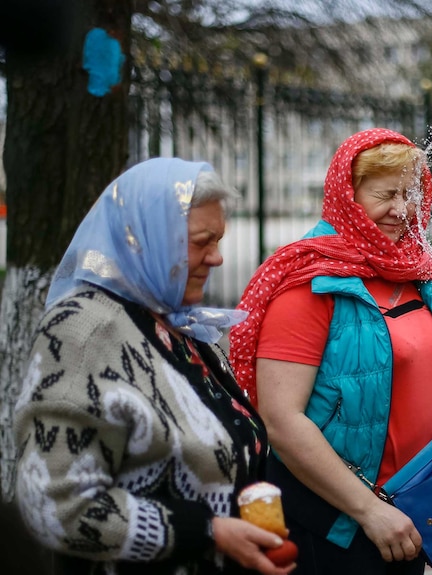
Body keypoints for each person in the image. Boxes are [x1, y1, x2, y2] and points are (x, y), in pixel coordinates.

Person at [14, 158, 295, 575]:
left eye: (219, 239)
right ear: (142, 239)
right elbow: (56, 504)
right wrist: (209, 531)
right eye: (202, 241)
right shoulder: (84, 330)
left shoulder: (174, 325)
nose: (217, 258)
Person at [229, 128, 432, 575]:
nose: (401, 210)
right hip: (339, 524)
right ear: (347, 197)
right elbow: (281, 419)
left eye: (411, 194)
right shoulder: (312, 282)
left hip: (409, 509)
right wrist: (370, 511)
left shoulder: (415, 271)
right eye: (386, 194)